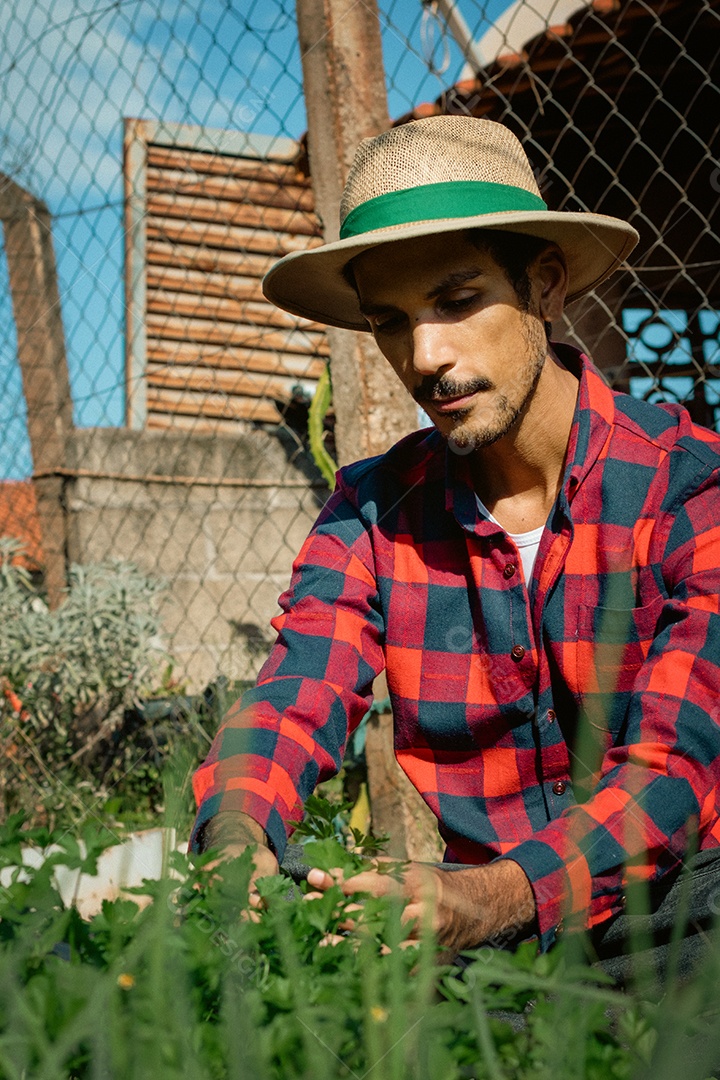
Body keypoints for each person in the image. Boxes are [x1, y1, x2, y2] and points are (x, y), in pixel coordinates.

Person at [190, 115, 720, 974]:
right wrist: (238, 834)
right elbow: (293, 693)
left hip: (687, 908)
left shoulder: (688, 489)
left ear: (544, 286)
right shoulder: (369, 511)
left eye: (458, 300)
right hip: (490, 948)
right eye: (392, 321)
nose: (425, 355)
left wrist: (496, 894)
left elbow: (675, 771)